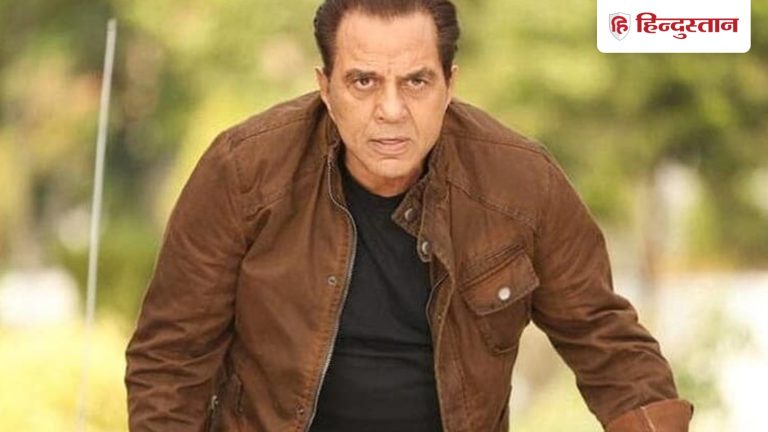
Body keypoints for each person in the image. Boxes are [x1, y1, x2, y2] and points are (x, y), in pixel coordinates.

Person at [125, 1, 694, 431]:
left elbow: (606, 341)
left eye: (416, 81)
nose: (391, 110)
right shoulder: (243, 171)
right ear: (325, 88)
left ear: (450, 85)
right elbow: (171, 357)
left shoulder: (523, 184)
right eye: (363, 81)